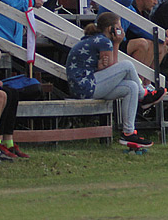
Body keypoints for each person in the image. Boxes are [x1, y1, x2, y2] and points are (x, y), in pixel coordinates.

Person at [66, 12, 162, 148]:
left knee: (131, 87)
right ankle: (144, 96)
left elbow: (107, 69)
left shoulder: (95, 39)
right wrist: (116, 43)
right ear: (110, 28)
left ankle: (128, 133)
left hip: (86, 85)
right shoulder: (104, 41)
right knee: (127, 65)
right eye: (118, 26)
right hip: (85, 86)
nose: (121, 29)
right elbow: (114, 67)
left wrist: (100, 66)